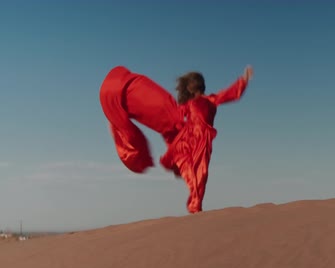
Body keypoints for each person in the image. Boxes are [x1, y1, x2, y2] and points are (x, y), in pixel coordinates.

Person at [99, 65, 253, 213]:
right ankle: (194, 205)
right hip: (185, 140)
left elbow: (228, 94)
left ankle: (195, 205)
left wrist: (243, 81)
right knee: (191, 170)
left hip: (201, 140)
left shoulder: (210, 100)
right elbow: (168, 112)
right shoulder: (189, 104)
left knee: (200, 173)